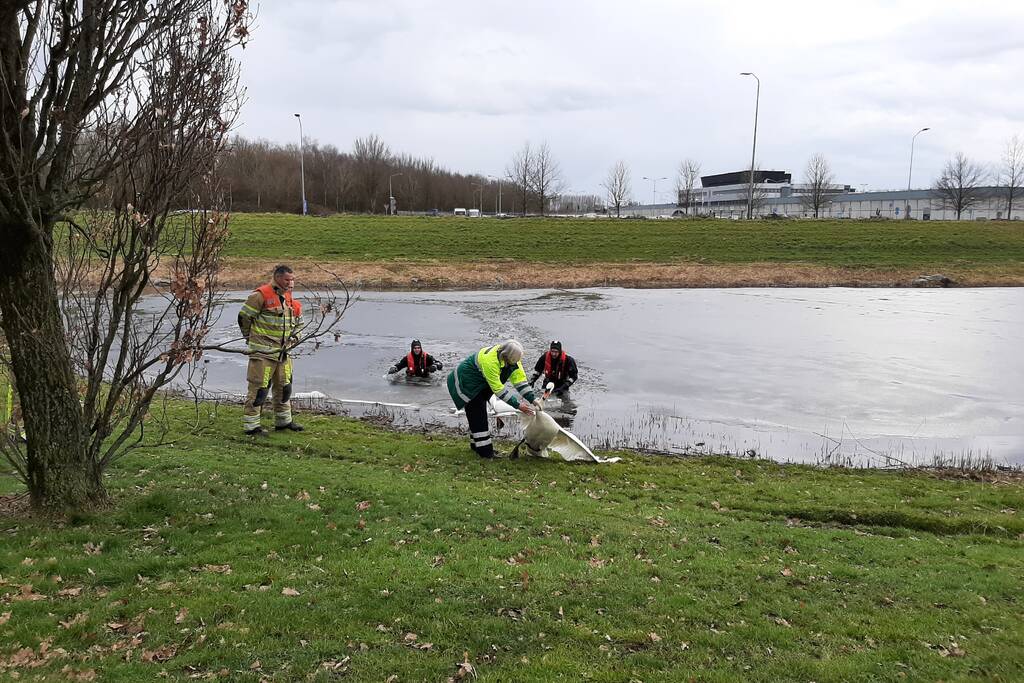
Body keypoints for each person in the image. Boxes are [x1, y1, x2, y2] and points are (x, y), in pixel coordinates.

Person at [237, 264, 305, 437]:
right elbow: (244, 317)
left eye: (293, 280)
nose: (291, 283)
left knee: (285, 387)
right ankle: (251, 427)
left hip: (284, 353)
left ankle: (283, 422)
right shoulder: (260, 295)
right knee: (259, 389)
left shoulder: (291, 301)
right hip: (263, 353)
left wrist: (294, 339)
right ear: (277, 278)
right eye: (287, 280)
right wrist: (250, 338)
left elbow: (299, 324)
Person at [447, 340, 541, 458]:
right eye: (514, 361)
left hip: (480, 385)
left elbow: (520, 381)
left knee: (476, 417)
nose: (516, 363)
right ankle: (486, 453)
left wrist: (532, 399)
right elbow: (499, 390)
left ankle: (476, 446)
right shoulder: (490, 361)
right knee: (478, 416)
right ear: (506, 356)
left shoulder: (513, 359)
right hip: (466, 383)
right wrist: (518, 405)